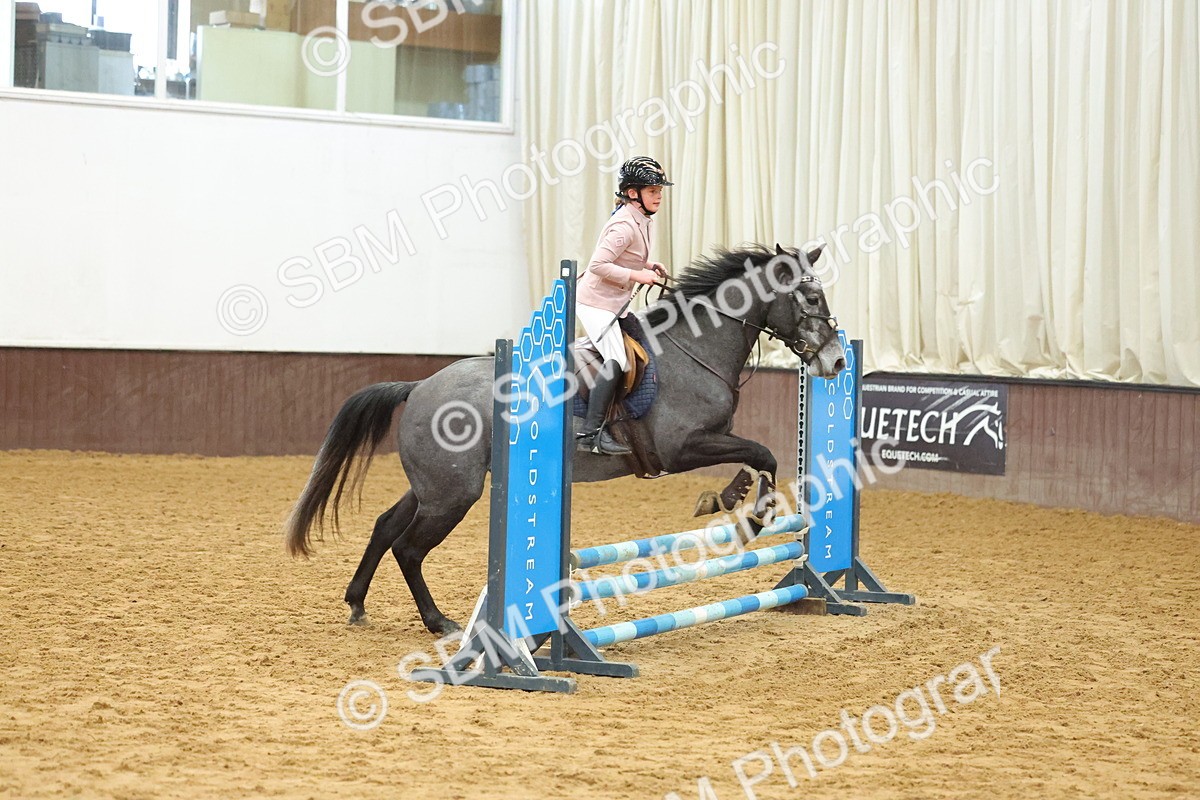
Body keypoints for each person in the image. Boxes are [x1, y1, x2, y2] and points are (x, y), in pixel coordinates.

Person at [574, 156, 672, 455]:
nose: (658, 195)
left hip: (614, 301)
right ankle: (591, 433)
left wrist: (647, 265)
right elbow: (597, 265)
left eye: (659, 190)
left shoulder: (642, 219)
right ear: (633, 193)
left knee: (642, 344)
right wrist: (636, 274)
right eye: (653, 190)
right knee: (617, 358)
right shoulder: (623, 226)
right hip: (594, 303)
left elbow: (626, 257)